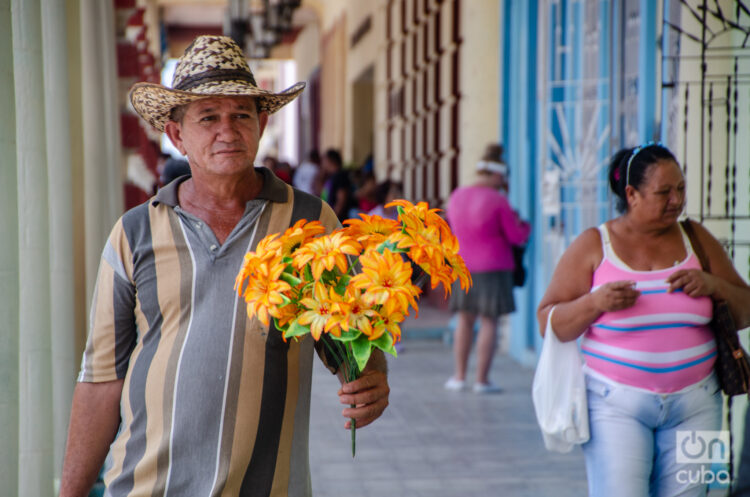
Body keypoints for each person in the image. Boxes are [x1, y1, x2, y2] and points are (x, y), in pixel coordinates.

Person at [59, 35, 390, 497]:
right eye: (208, 117)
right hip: (146, 486)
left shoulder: (310, 223)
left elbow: (348, 339)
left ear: (262, 122)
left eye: (241, 115)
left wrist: (371, 377)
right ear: (177, 136)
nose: (228, 131)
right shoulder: (135, 232)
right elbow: (100, 380)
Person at [537, 143, 750, 497]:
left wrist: (714, 286)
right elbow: (548, 322)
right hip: (614, 405)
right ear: (632, 194)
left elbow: (746, 309)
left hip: (699, 403)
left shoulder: (695, 238)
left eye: (680, 188)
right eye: (664, 192)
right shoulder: (594, 245)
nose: (676, 200)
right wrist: (594, 303)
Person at [444, 144, 531, 394]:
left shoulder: (457, 195)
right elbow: (516, 236)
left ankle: (458, 377)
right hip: (493, 267)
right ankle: (482, 381)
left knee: (464, 318)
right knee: (489, 321)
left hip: (462, 266)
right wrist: (525, 226)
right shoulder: (498, 200)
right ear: (497, 175)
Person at [319, 148, 353, 221]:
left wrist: (333, 218)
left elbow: (341, 199)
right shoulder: (331, 176)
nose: (322, 163)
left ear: (331, 161)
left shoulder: (340, 176)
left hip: (339, 220)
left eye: (324, 160)